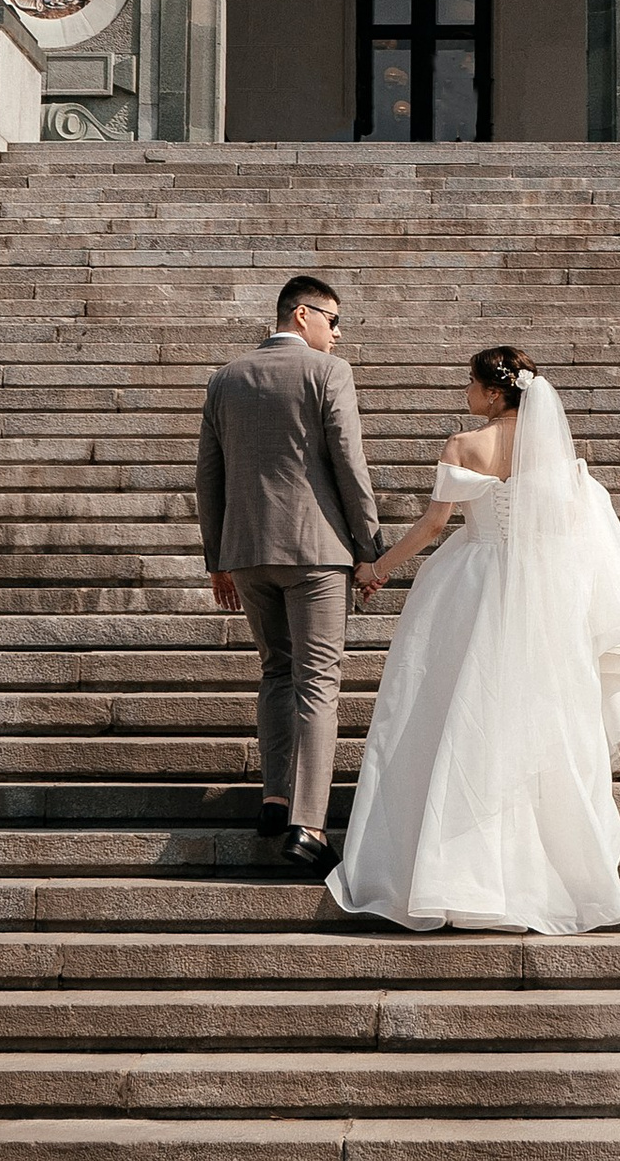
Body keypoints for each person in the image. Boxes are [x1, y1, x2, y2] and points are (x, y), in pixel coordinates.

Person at [329, 344, 620, 935]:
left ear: (492, 391)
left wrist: (377, 568)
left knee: (454, 712)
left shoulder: (465, 445)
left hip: (473, 581)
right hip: (541, 594)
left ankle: (451, 869)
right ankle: (535, 868)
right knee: (535, 719)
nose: (466, 391)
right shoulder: (560, 458)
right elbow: (568, 535)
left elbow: (435, 525)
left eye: (470, 383)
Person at [195, 272, 386, 872]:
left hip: (247, 551)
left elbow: (208, 476)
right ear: (302, 315)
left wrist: (217, 559)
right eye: (334, 320)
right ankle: (308, 825)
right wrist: (371, 546)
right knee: (318, 683)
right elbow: (349, 463)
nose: (338, 333)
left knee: (277, 672)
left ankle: (274, 798)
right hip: (317, 551)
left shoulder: (225, 378)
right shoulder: (329, 372)